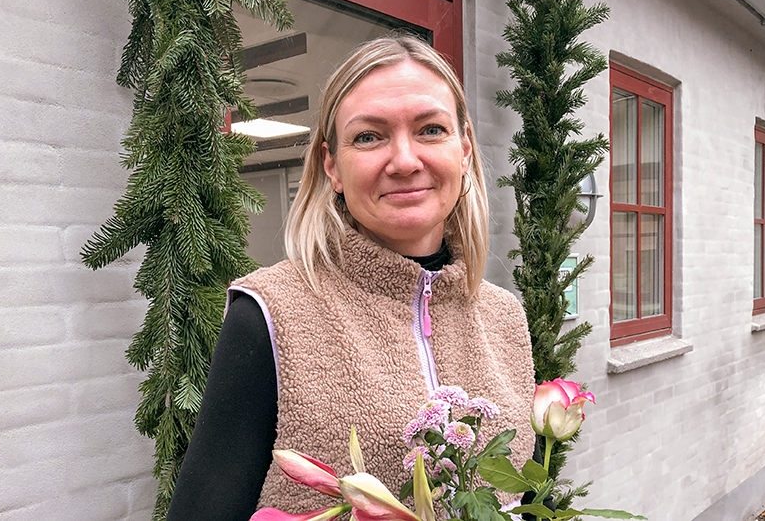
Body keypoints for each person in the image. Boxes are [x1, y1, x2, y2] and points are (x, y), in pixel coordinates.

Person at [166, 35, 536, 519]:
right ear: (332, 166)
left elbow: (526, 499)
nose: (404, 160)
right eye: (369, 136)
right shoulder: (271, 313)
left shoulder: (504, 316)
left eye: (430, 129)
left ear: (463, 151)